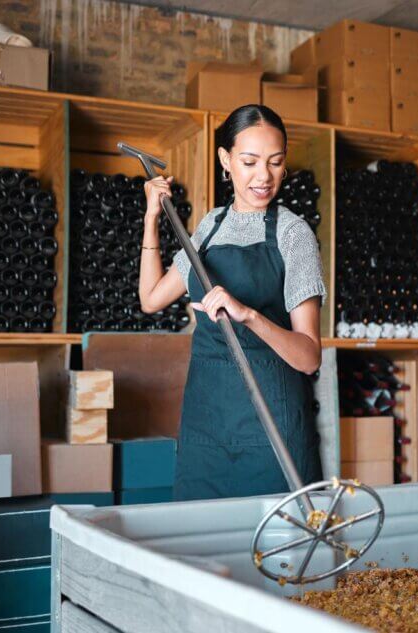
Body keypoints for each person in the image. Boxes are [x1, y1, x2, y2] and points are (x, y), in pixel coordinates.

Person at [138, 104, 324, 501]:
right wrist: (152, 217)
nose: (264, 176)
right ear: (226, 160)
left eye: (275, 162)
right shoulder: (210, 226)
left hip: (271, 430)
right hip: (206, 428)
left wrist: (249, 315)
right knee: (201, 548)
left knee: (277, 555)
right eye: (250, 161)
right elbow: (152, 298)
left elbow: (309, 358)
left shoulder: (294, 234)